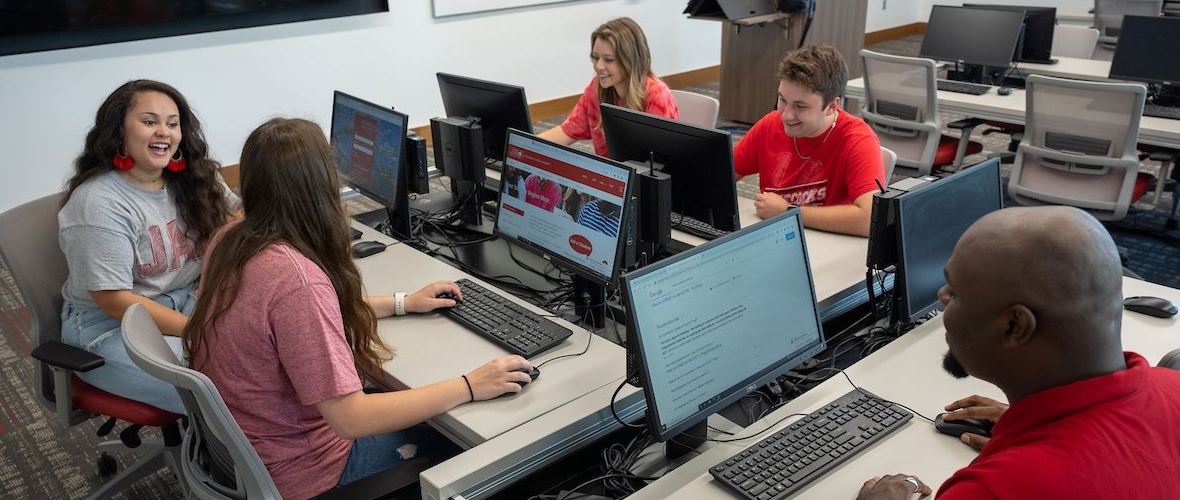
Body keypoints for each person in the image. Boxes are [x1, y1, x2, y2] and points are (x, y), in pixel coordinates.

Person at [184, 118, 534, 500]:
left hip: (254, 451)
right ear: (322, 186)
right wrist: (468, 385)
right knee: (486, 437)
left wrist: (403, 303)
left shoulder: (230, 238)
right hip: (310, 470)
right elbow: (350, 418)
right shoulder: (296, 281)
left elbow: (287, 318)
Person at [855, 206, 1180, 500]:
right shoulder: (1173, 386)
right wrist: (1028, 423)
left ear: (1015, 326)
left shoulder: (992, 490)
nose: (941, 296)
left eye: (955, 292)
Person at [58, 79, 239, 414]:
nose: (164, 133)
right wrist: (203, 331)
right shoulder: (98, 203)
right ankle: (226, 462)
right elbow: (114, 302)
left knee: (269, 348)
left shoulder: (193, 179)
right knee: (223, 384)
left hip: (187, 299)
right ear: (119, 132)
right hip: (113, 328)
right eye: (150, 122)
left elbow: (238, 220)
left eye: (172, 124)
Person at [734, 44, 883, 237]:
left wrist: (789, 212)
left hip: (832, 246)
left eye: (800, 106)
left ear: (831, 106)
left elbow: (871, 220)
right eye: (782, 99)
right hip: (777, 239)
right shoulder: (770, 125)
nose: (787, 115)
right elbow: (720, 174)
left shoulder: (857, 139)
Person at [538, 17, 679, 156]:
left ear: (630, 61)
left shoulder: (657, 96)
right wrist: (524, 146)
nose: (598, 66)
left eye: (609, 60)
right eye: (595, 57)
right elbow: (567, 131)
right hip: (610, 175)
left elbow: (660, 163)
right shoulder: (596, 89)